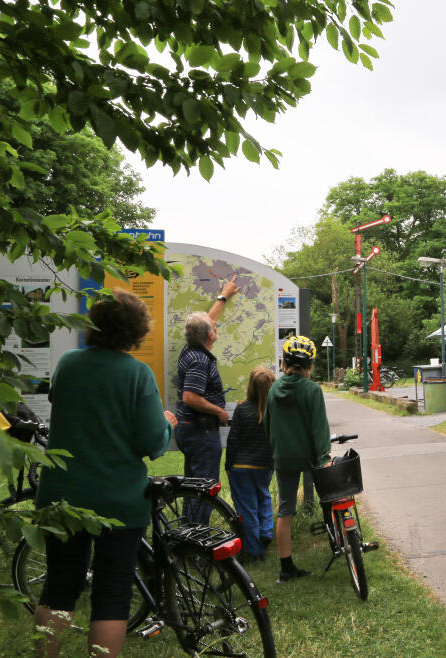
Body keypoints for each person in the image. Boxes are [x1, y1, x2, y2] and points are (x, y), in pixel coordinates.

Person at [34, 289, 175, 657]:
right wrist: (166, 424)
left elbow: (62, 404)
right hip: (119, 500)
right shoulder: (137, 374)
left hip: (62, 495)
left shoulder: (68, 363)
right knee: (112, 592)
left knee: (59, 586)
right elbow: (151, 442)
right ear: (136, 332)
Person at [174, 275, 240, 524]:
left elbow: (207, 321)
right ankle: (195, 536)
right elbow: (190, 397)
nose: (216, 326)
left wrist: (223, 295)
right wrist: (219, 413)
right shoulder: (200, 360)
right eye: (214, 327)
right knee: (205, 486)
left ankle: (186, 530)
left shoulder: (191, 348)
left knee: (193, 485)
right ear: (210, 336)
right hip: (201, 433)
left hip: (191, 431)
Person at [265, 335, 330, 582]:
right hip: (311, 457)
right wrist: (324, 458)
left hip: (283, 457)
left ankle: (286, 567)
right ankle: (338, 542)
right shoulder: (312, 390)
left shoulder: (273, 389)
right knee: (330, 498)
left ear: (284, 363)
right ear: (309, 367)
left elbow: (268, 426)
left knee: (285, 510)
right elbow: (319, 429)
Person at [225, 366, 276, 563]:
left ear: (251, 387)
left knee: (247, 509)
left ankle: (254, 551)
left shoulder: (242, 409)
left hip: (241, 467)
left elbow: (233, 440)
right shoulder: (273, 411)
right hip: (264, 465)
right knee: (263, 498)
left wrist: (228, 465)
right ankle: (266, 533)